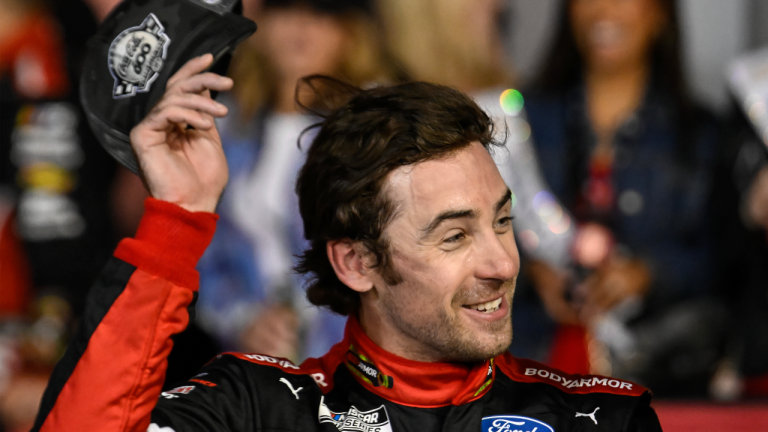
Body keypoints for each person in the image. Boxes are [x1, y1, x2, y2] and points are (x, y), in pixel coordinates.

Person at [31, 55, 661, 432]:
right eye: (454, 235)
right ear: (356, 261)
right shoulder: (257, 410)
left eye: (501, 221)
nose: (501, 262)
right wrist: (178, 219)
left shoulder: (601, 420)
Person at [522, 0, 723, 394]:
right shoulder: (518, 118)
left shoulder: (700, 134)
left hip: (655, 369)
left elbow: (723, 260)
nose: (603, 10)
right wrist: (528, 271)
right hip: (530, 358)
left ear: (660, 14)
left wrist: (647, 275)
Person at [196, 0, 395, 359]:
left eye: (322, 13)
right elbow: (207, 256)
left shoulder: (375, 128)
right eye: (286, 9)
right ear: (261, 23)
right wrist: (244, 320)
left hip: (356, 355)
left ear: (351, 32)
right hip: (255, 360)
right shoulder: (227, 126)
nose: (302, 28)